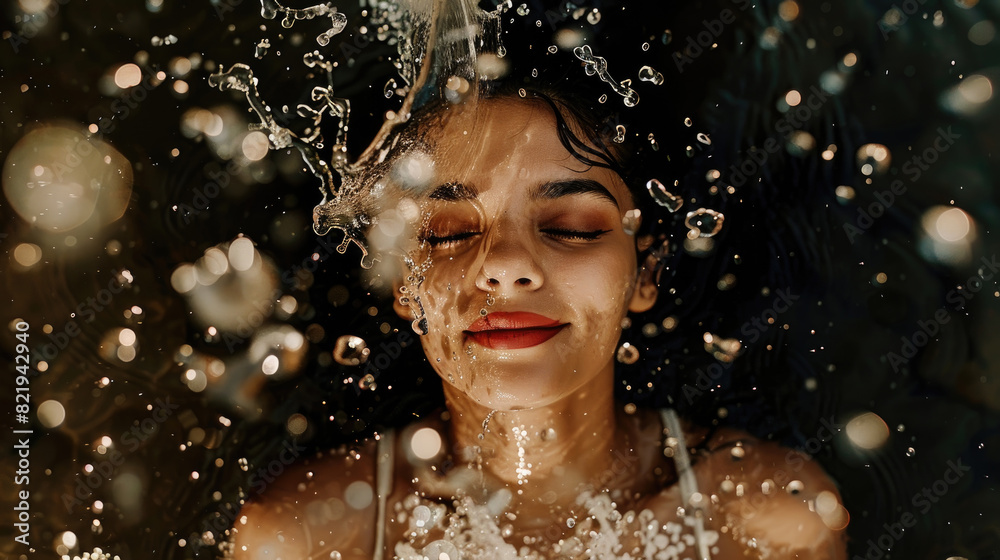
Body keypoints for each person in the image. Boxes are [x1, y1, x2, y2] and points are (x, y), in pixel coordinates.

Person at [229, 2, 849, 558]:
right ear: (401, 280)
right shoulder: (304, 537)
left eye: (570, 226)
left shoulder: (769, 524)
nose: (503, 264)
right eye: (448, 232)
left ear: (646, 270)